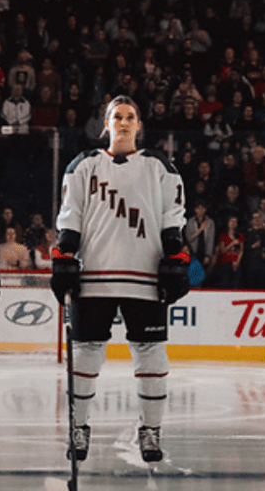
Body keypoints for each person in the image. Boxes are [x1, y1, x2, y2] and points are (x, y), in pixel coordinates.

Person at [50, 95, 189, 464]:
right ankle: (79, 428)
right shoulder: (83, 165)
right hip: (94, 274)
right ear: (105, 124)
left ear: (139, 124)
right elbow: (70, 216)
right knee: (86, 356)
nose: (124, 122)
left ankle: (151, 430)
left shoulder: (160, 166)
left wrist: (175, 253)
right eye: (117, 117)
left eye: (130, 116)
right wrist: (64, 255)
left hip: (144, 274)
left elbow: (172, 216)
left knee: (151, 356)